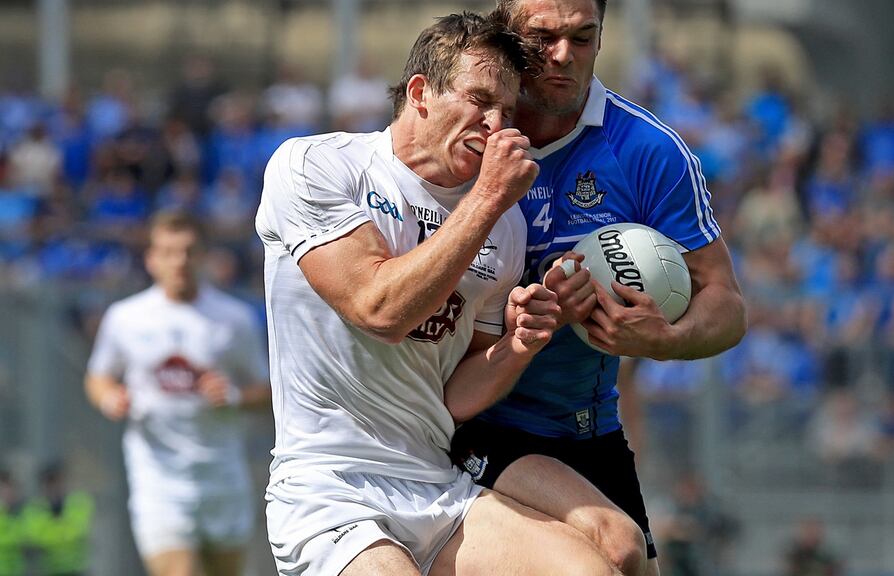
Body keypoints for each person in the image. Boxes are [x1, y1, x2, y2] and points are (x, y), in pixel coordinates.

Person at [257, 11, 625, 576]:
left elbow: (452, 397)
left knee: (594, 568)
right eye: (479, 100)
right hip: (330, 488)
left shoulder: (505, 227)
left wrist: (521, 344)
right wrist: (487, 201)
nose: (496, 123)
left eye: (507, 110)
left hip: (436, 484)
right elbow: (378, 310)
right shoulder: (318, 166)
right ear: (420, 92)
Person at [451, 1, 747, 574]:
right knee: (614, 550)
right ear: (504, 35)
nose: (564, 56)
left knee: (627, 560)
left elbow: (727, 304)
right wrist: (523, 320)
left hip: (589, 432)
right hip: (467, 427)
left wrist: (665, 338)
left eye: (583, 37)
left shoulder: (647, 151)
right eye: (543, 38)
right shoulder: (463, 139)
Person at [84, 211, 271, 576]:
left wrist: (233, 394)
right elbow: (98, 377)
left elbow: (265, 390)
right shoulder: (126, 317)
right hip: (159, 476)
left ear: (202, 256)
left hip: (222, 472)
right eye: (168, 252)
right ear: (151, 259)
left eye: (188, 251)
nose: (179, 261)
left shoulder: (234, 318)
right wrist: (111, 399)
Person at [21, 463, 94, 576]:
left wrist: (50, 528)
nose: (54, 488)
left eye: (57, 482)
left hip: (76, 569)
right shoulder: (34, 508)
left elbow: (79, 530)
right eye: (50, 483)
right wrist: (64, 527)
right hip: (49, 570)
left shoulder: (78, 501)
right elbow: (37, 537)